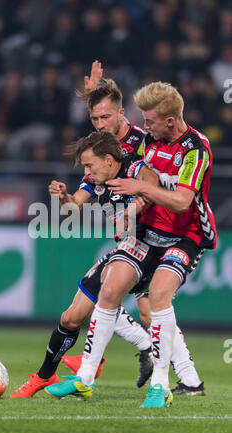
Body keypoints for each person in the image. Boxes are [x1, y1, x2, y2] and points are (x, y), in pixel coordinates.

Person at [45, 81, 217, 408]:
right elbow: (102, 156)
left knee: (156, 301)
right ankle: (87, 380)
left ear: (168, 120)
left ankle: (164, 383)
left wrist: (138, 196)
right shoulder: (147, 140)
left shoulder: (195, 148)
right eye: (95, 118)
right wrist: (95, 93)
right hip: (144, 233)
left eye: (149, 120)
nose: (144, 125)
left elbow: (181, 201)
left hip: (185, 235)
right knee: (111, 291)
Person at [10, 130, 156, 399]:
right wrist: (63, 198)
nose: (86, 171)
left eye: (89, 164)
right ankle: (48, 376)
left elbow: (152, 188)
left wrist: (134, 208)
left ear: (110, 160)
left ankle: (89, 373)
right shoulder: (95, 180)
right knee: (72, 317)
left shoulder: (136, 168)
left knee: (124, 306)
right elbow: (74, 206)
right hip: (125, 250)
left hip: (148, 250)